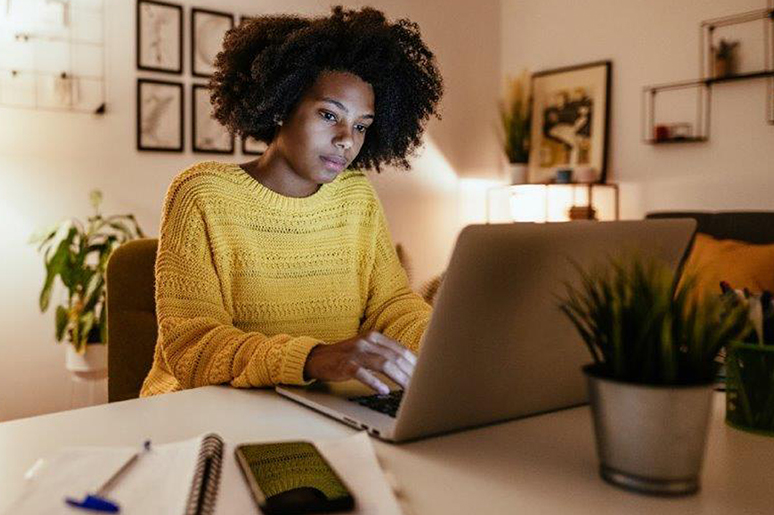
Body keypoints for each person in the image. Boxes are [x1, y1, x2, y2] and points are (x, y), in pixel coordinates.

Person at [140, 6, 444, 397]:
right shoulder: (202, 194)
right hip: (209, 408)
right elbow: (193, 346)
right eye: (329, 115)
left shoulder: (356, 196)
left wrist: (443, 341)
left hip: (321, 402)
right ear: (282, 106)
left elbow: (392, 305)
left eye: (361, 126)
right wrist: (311, 358)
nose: (346, 139)